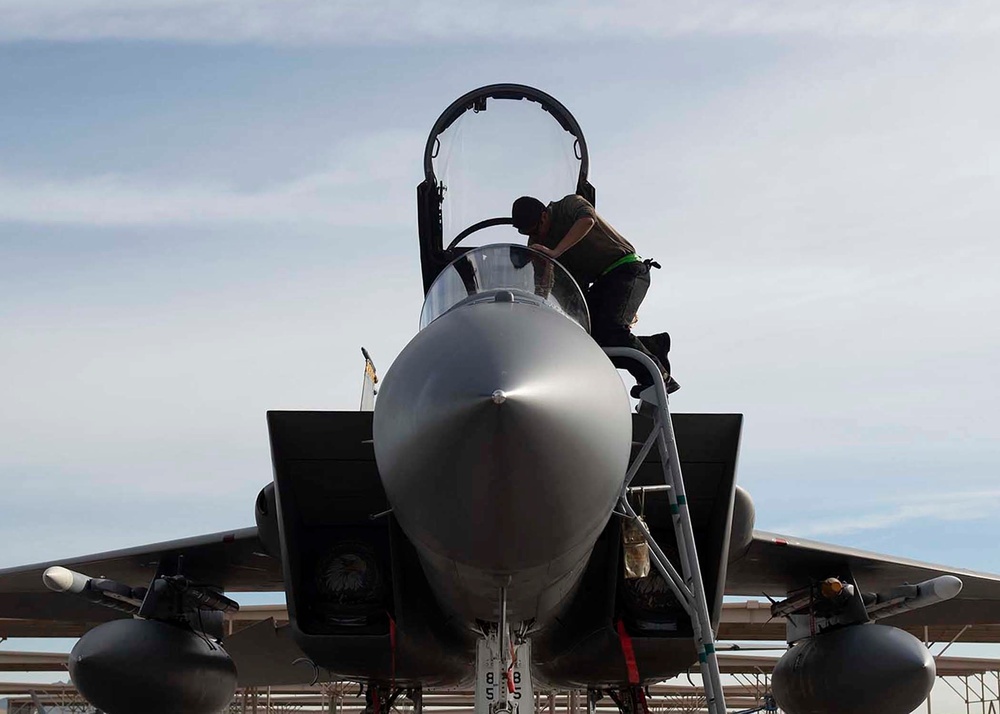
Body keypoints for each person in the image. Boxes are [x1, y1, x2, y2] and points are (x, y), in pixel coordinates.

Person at [511, 194, 679, 397]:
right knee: (586, 345)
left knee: (611, 329)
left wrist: (555, 252)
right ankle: (652, 347)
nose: (536, 236)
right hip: (602, 284)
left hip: (626, 269)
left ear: (544, 216)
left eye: (536, 230)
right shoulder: (538, 242)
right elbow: (544, 286)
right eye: (529, 233)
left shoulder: (568, 205)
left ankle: (658, 378)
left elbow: (587, 220)